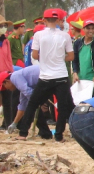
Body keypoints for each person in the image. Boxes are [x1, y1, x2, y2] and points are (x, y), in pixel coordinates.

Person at [17, 8, 75, 142]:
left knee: (32, 103)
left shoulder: (38, 35)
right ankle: (59, 135)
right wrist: (60, 58)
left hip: (45, 77)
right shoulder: (65, 35)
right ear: (58, 20)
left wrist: (45, 58)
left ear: (44, 20)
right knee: (63, 106)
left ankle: (23, 133)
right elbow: (71, 56)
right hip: (61, 75)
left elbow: (35, 55)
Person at [1, 66, 47, 135]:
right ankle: (45, 132)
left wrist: (40, 102)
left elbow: (28, 93)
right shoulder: (19, 82)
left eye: (4, 87)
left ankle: (44, 132)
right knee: (33, 105)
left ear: (7, 81)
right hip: (45, 77)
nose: (7, 89)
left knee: (33, 106)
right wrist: (14, 123)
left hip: (48, 75)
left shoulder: (14, 77)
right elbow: (22, 105)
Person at [72, 20, 94, 87]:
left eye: (93, 28)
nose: (91, 31)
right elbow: (75, 60)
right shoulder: (77, 43)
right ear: (83, 29)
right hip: (79, 79)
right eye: (88, 28)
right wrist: (75, 73)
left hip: (93, 79)